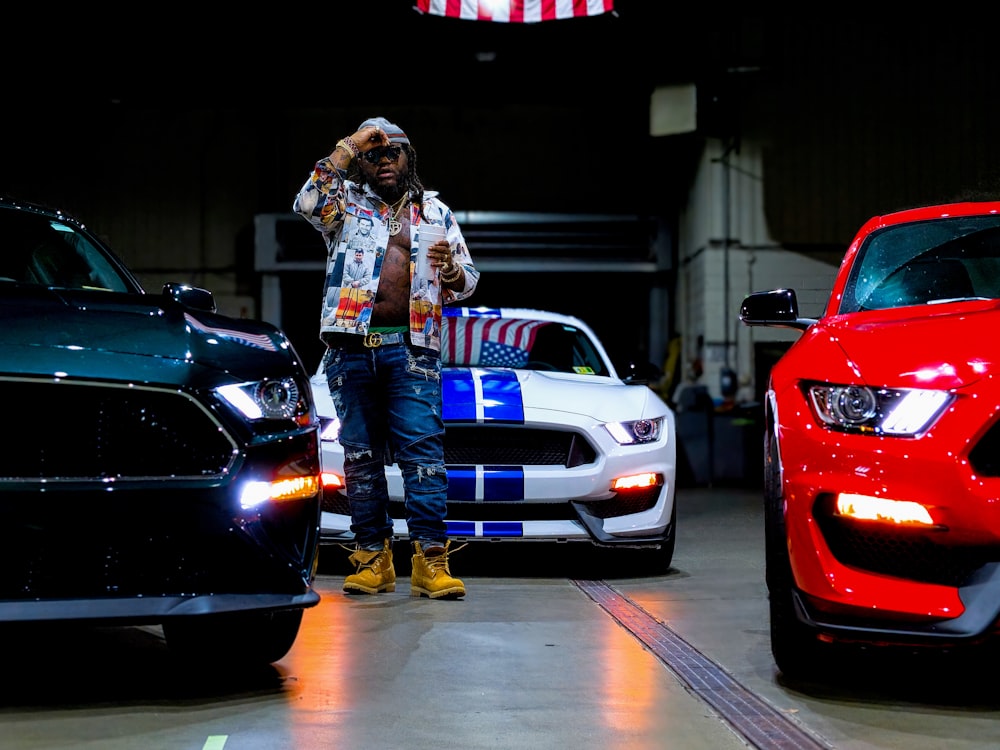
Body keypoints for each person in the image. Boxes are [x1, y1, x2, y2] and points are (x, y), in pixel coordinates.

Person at [293, 116, 479, 599]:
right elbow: (307, 202)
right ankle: (373, 560)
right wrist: (348, 145)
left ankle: (430, 562)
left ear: (408, 157)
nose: (383, 161)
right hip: (351, 348)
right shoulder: (346, 207)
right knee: (359, 459)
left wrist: (454, 272)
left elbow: (469, 282)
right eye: (373, 155)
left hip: (412, 350)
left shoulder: (435, 213)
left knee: (423, 455)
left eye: (391, 152)